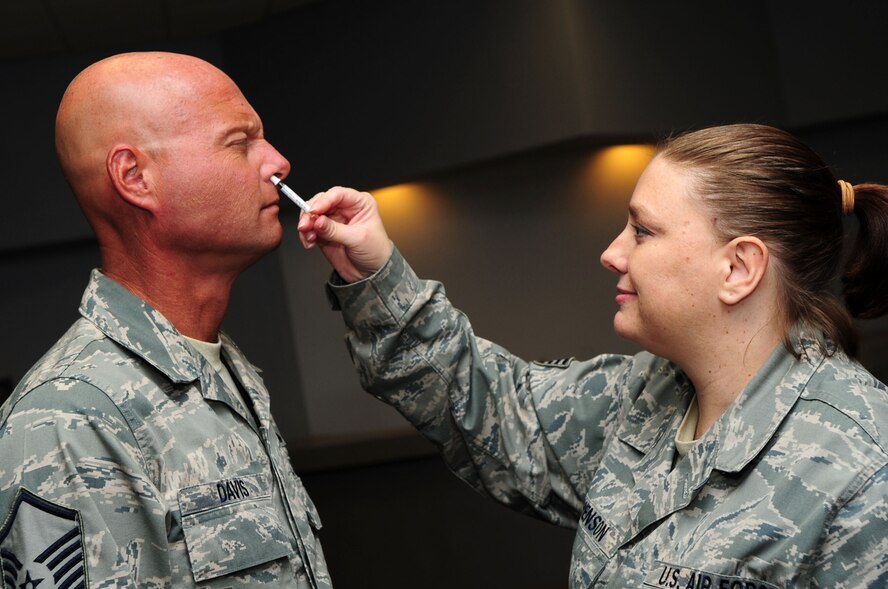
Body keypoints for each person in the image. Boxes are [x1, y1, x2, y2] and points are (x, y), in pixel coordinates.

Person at [298, 124, 888, 587]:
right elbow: (486, 404)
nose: (611, 253)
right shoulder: (641, 400)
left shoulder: (862, 466)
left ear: (738, 268)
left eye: (642, 231)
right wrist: (376, 273)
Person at [0, 52, 330, 588]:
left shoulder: (222, 368)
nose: (277, 162)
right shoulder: (71, 418)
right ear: (136, 178)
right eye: (240, 142)